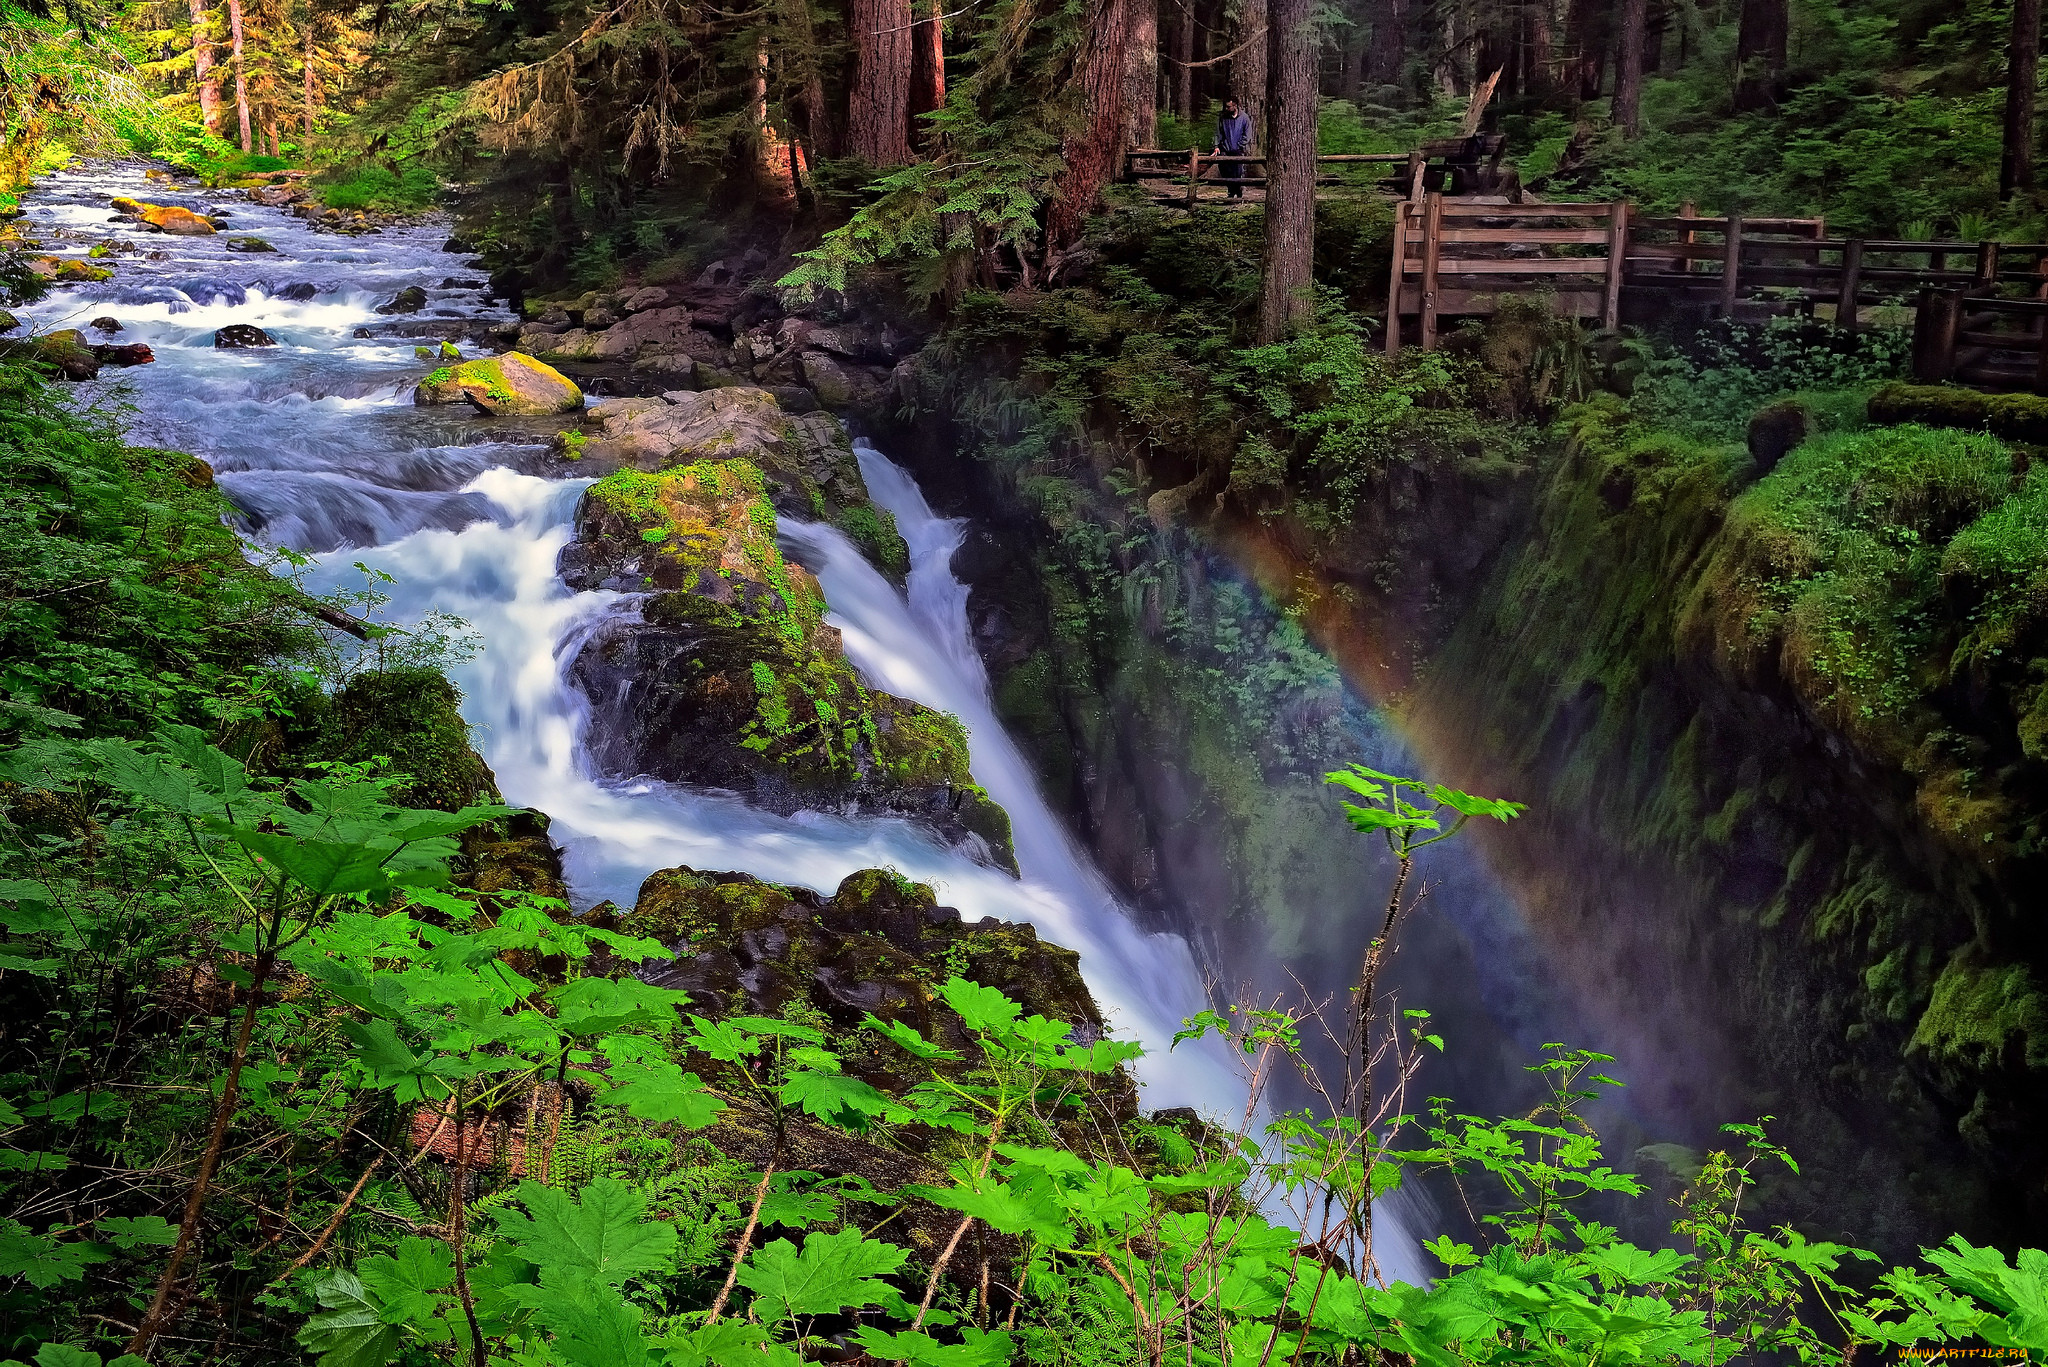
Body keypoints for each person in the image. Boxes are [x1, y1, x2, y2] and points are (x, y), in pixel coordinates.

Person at [1212, 98, 1255, 199]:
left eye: (1229, 107)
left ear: (1235, 106)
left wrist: (1240, 144)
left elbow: (1247, 134)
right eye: (1226, 106)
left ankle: (1236, 191)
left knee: (1237, 172)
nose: (1226, 108)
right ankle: (1232, 190)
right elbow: (1218, 132)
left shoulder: (1244, 118)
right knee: (1224, 170)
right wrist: (1216, 146)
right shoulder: (1223, 117)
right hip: (1225, 148)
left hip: (1238, 150)